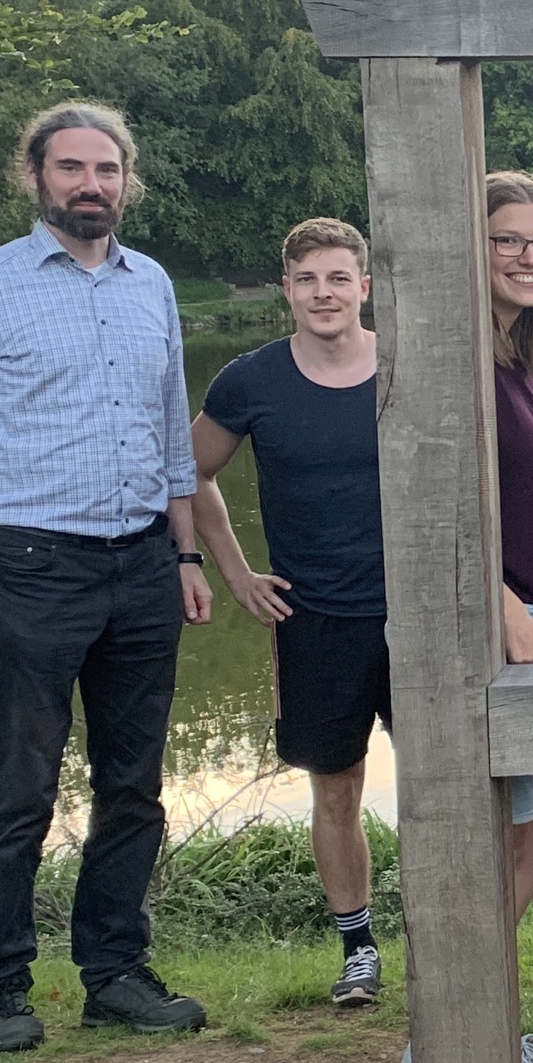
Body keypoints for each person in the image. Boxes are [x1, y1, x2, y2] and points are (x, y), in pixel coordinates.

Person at [0, 101, 215, 1053]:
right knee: (19, 786)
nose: (91, 185)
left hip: (142, 567)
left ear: (127, 181)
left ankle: (114, 973)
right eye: (72, 168)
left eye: (107, 170)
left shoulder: (150, 284)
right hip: (31, 567)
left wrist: (188, 554)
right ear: (36, 177)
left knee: (134, 786)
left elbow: (173, 437)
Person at [389, 172, 533, 1063]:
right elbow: (436, 507)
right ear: (465, 251)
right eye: (509, 239)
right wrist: (508, 613)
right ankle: (448, 1034)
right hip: (487, 637)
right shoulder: (451, 364)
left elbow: (528, 509)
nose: (531, 256)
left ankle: (464, 1021)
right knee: (511, 832)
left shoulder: (515, 363)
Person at [189, 217, 388, 1012]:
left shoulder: (407, 362)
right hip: (315, 620)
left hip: (419, 616)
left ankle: (459, 938)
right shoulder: (251, 382)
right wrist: (232, 571)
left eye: (339, 278)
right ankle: (359, 950)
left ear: (364, 287)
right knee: (335, 789)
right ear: (287, 291)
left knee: (452, 785)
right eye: (307, 280)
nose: (324, 294)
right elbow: (188, 473)